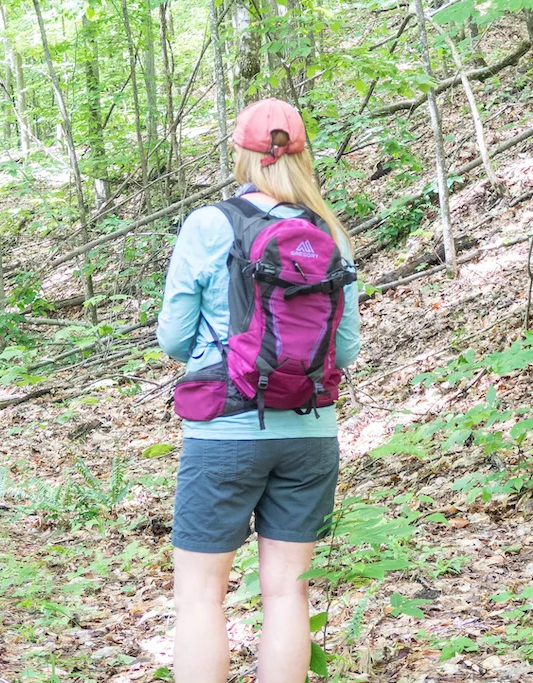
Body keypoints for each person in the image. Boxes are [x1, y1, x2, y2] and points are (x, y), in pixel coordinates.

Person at [156, 98, 361, 683]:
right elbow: (343, 351)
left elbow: (173, 337)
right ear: (303, 156)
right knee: (287, 596)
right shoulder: (329, 232)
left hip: (224, 428)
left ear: (241, 152)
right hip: (312, 433)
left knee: (199, 598)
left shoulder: (210, 224)